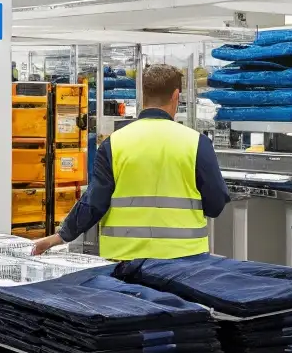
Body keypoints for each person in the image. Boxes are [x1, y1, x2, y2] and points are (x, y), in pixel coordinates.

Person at [31, 64, 229, 258]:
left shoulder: (113, 144)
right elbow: (216, 204)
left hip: (123, 260)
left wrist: (58, 237)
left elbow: (93, 203)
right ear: (176, 95)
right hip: (184, 258)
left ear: (142, 96)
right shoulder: (196, 143)